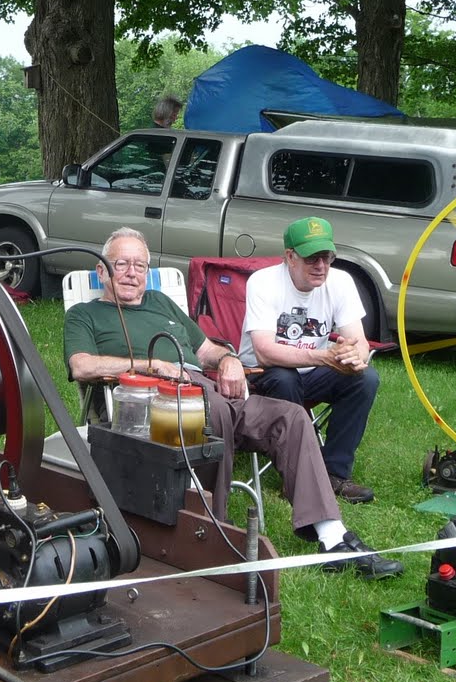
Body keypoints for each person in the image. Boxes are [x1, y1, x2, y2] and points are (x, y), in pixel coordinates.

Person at [63, 227, 401, 579]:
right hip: (150, 401)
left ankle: (331, 537)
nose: (132, 273)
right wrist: (155, 366)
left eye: (140, 265)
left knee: (292, 417)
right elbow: (82, 365)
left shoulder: (161, 303)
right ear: (101, 271)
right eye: (121, 264)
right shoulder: (86, 314)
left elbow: (206, 350)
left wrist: (228, 361)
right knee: (217, 412)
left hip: (205, 388)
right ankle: (214, 530)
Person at [239, 216, 381, 504]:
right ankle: (296, 479)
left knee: (365, 379)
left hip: (313, 369)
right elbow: (265, 351)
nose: (321, 266)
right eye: (312, 258)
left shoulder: (341, 282)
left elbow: (359, 340)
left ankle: (334, 473)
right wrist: (323, 357)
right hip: (261, 371)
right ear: (290, 257)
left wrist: (354, 355)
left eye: (327, 257)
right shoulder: (263, 282)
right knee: (284, 377)